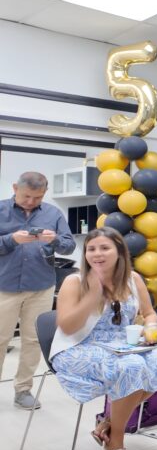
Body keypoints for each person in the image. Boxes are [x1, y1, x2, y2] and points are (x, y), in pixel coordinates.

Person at [51, 227, 157, 450]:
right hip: (78, 346)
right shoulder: (74, 281)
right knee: (131, 367)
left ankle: (108, 424)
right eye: (91, 249)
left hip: (122, 345)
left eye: (104, 248)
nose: (97, 254)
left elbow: (149, 313)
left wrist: (151, 328)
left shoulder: (133, 279)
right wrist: (92, 297)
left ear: (119, 251)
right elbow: (66, 327)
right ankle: (116, 441)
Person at [0, 172, 75, 410]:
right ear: (15, 188)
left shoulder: (53, 213)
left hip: (41, 286)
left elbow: (69, 245)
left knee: (32, 340)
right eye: (26, 196)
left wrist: (54, 240)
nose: (31, 202)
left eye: (38, 197)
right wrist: (11, 239)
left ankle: (23, 390)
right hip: (4, 286)